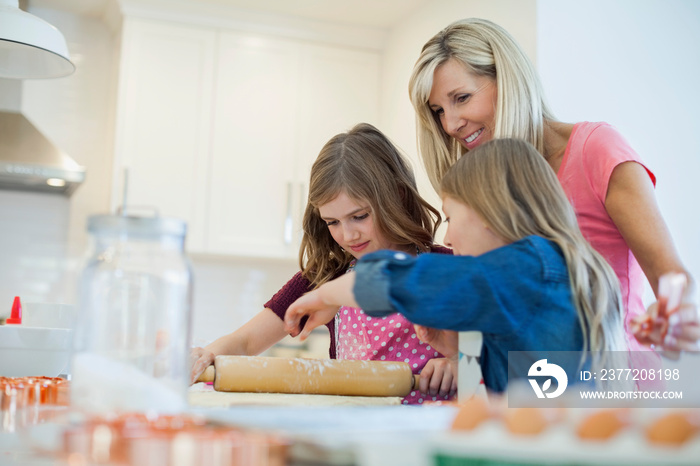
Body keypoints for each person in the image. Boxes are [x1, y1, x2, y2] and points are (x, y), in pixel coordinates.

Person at [407, 18, 697, 354]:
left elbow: (672, 279)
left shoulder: (596, 150)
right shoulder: (485, 187)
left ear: (508, 79)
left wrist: (668, 318)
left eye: (462, 97)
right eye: (439, 110)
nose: (452, 124)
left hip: (612, 385)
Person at [284, 138, 628, 393]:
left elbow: (403, 279)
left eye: (450, 217)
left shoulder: (527, 268)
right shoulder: (557, 269)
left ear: (489, 214)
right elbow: (521, 379)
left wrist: (327, 296)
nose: (446, 239)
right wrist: (455, 350)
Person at [190, 123, 456, 404]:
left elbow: (495, 353)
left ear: (397, 196)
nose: (348, 235)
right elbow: (245, 342)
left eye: (359, 216)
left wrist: (457, 364)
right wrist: (206, 354)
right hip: (351, 436)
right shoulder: (326, 276)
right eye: (332, 222)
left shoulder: (447, 267)